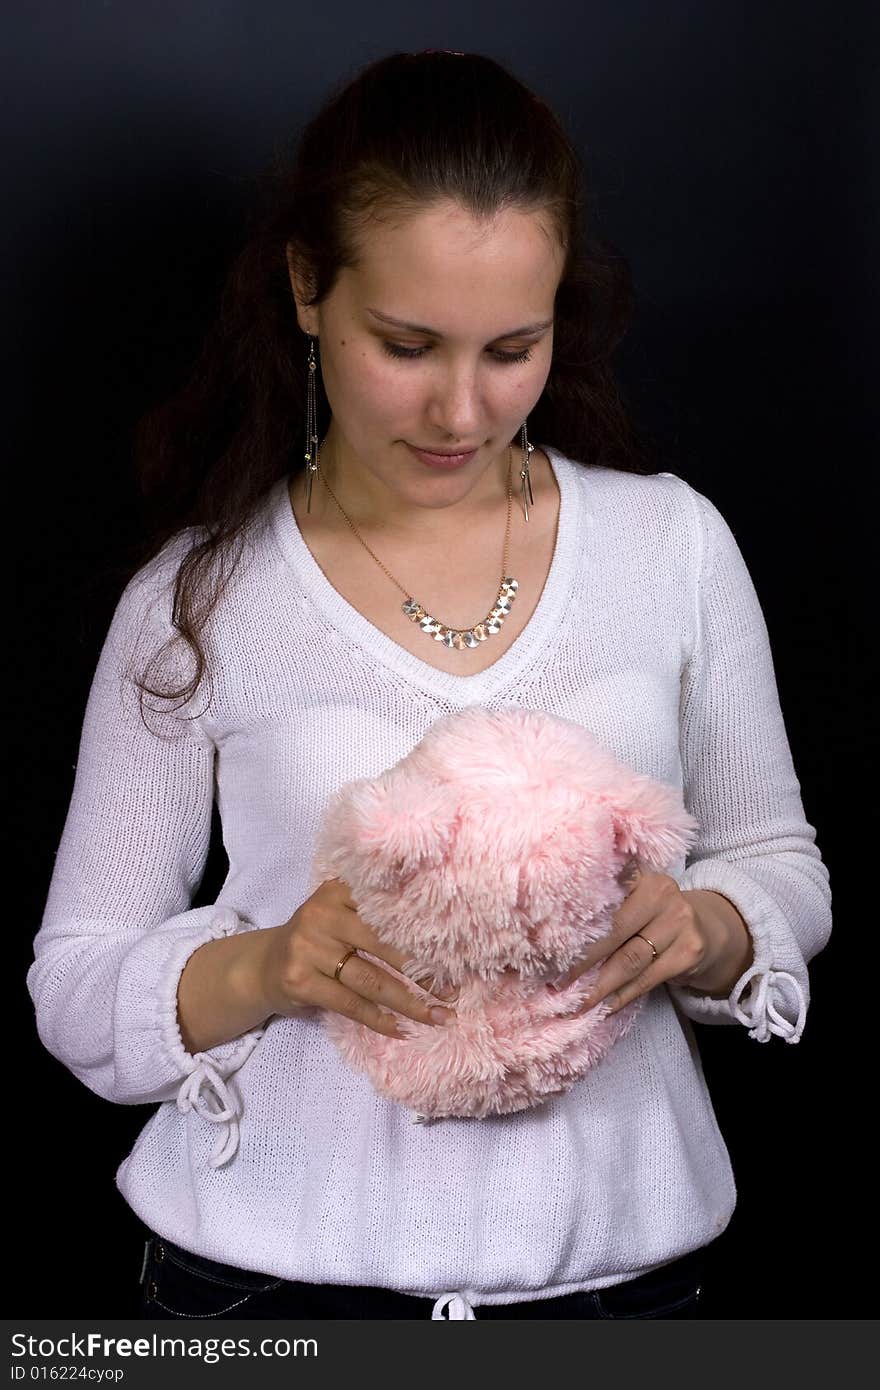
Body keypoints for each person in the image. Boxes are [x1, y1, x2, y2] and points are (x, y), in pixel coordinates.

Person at [26, 50, 831, 1321]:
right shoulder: (194, 603)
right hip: (264, 1296)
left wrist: (711, 927)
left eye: (514, 347)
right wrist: (275, 965)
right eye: (406, 345)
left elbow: (778, 857)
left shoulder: (670, 546)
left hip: (624, 1287)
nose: (463, 409)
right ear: (307, 289)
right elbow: (76, 982)